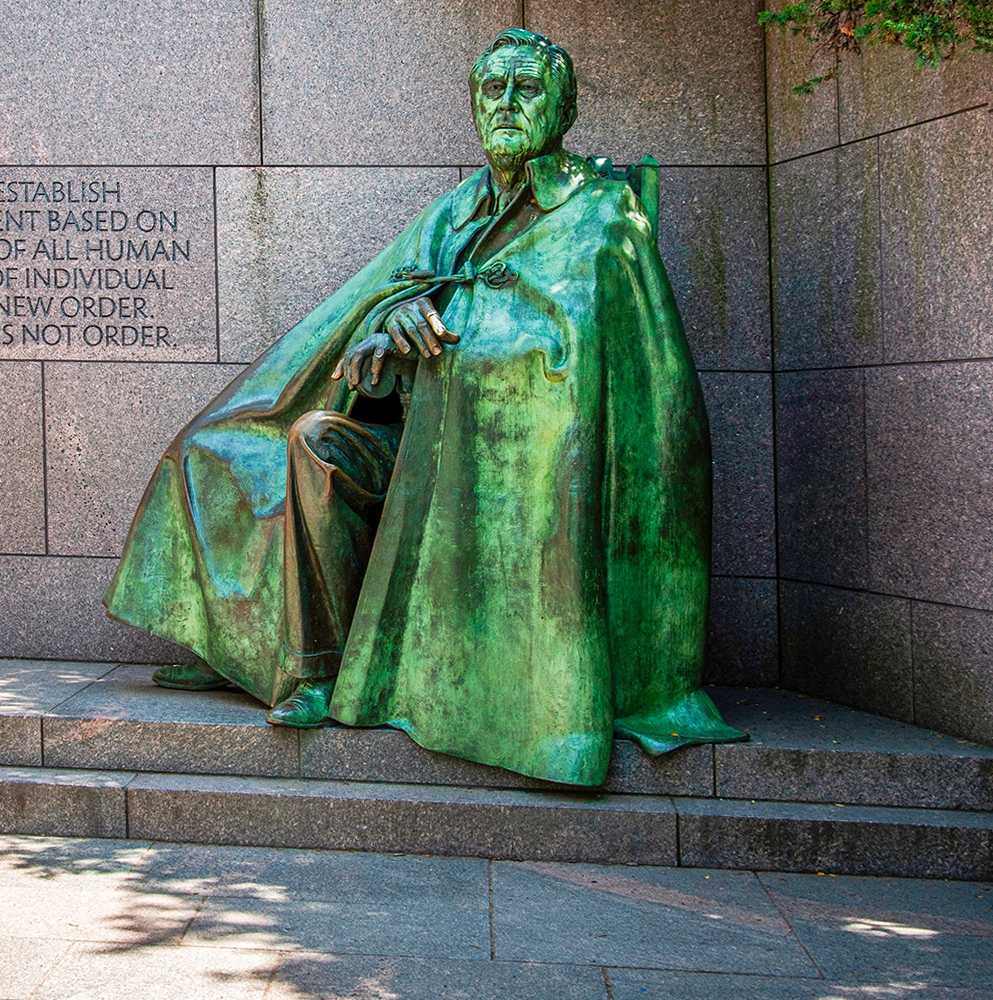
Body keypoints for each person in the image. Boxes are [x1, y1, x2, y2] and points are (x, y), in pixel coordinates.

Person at [103, 28, 745, 786]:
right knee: (301, 439)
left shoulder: (605, 217)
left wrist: (460, 340)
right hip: (416, 451)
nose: (506, 104)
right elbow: (371, 324)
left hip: (513, 475)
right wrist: (386, 335)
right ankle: (316, 669)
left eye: (527, 88)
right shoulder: (455, 212)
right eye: (491, 90)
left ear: (563, 107)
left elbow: (620, 384)